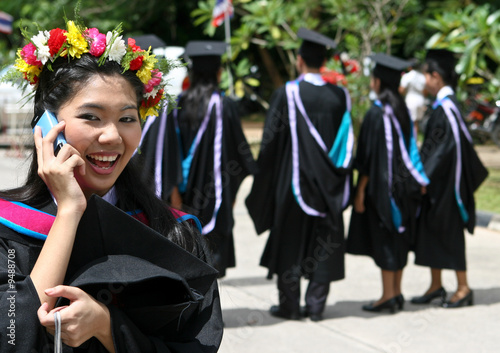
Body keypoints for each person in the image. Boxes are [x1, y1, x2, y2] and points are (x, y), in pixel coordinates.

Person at [0, 18, 222, 352]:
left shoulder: (174, 233)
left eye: (127, 119)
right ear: (45, 125)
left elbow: (198, 346)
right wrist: (70, 212)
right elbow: (13, 339)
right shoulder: (8, 228)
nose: (113, 136)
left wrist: (109, 328)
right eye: (91, 116)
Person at [245, 27, 354, 322]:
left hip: (293, 183)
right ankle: (317, 307)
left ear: (300, 60)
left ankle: (290, 307)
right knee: (324, 242)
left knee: (290, 243)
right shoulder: (340, 96)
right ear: (324, 62)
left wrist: (263, 178)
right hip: (329, 186)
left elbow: (270, 142)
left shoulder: (288, 94)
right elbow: (346, 145)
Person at [135, 40, 257, 278]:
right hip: (216, 191)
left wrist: (174, 194)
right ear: (219, 72)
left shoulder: (176, 105)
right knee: (213, 258)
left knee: (187, 248)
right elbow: (238, 152)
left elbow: (166, 151)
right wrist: (231, 194)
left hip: (181, 192)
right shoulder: (225, 106)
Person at [346, 53, 429, 313]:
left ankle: (387, 296)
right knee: (399, 236)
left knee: (385, 239)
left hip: (381, 190)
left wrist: (360, 191)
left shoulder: (376, 114)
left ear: (379, 81)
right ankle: (396, 292)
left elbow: (367, 159)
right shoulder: (403, 110)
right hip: (403, 188)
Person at [412, 48, 488, 308]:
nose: (424, 81)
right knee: (432, 232)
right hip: (439, 185)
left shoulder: (447, 108)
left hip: (446, 186)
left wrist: (424, 178)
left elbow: (442, 151)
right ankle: (435, 285)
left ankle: (464, 288)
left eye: (426, 75)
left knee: (449, 234)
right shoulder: (446, 106)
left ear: (435, 77)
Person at [399, 59, 427, 126]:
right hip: (420, 100)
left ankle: (411, 136)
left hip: (410, 100)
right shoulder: (422, 77)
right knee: (416, 123)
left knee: (410, 122)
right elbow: (425, 92)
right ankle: (415, 136)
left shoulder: (407, 76)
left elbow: (401, 90)